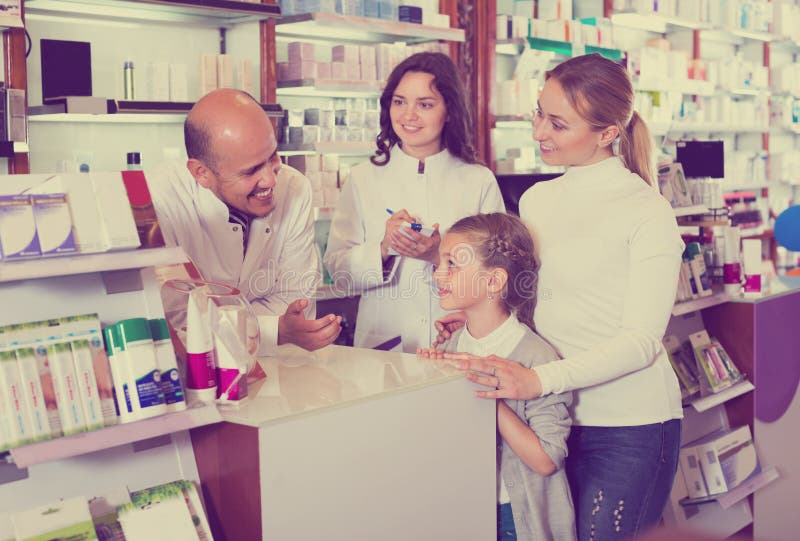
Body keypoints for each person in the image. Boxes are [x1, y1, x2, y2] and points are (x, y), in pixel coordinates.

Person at [435, 54, 685, 540]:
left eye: (557, 123)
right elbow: (534, 302)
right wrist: (481, 324)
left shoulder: (647, 212)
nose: (538, 132)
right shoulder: (536, 200)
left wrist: (538, 380)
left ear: (608, 132)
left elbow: (641, 341)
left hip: (628, 425)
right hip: (549, 420)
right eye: (538, 113)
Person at [323, 52, 505, 353]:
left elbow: (499, 273)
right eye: (399, 101)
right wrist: (382, 250)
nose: (408, 115)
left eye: (425, 104)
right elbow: (339, 273)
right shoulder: (362, 178)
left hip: (457, 343)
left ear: (449, 110)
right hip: (383, 345)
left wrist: (438, 255)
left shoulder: (477, 180)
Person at [147, 89, 341, 353]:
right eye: (250, 171)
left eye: (272, 156)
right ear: (201, 173)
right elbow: (179, 321)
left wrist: (233, 323)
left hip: (278, 369)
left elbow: (296, 303)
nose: (271, 180)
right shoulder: (158, 201)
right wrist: (275, 330)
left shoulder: (295, 187)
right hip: (196, 377)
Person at [422, 213, 575, 541]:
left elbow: (547, 460)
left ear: (493, 281)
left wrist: (479, 392)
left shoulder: (537, 357)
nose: (438, 273)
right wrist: (430, 381)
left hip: (510, 518)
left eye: (452, 264)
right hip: (461, 508)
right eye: (439, 263)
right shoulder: (450, 342)